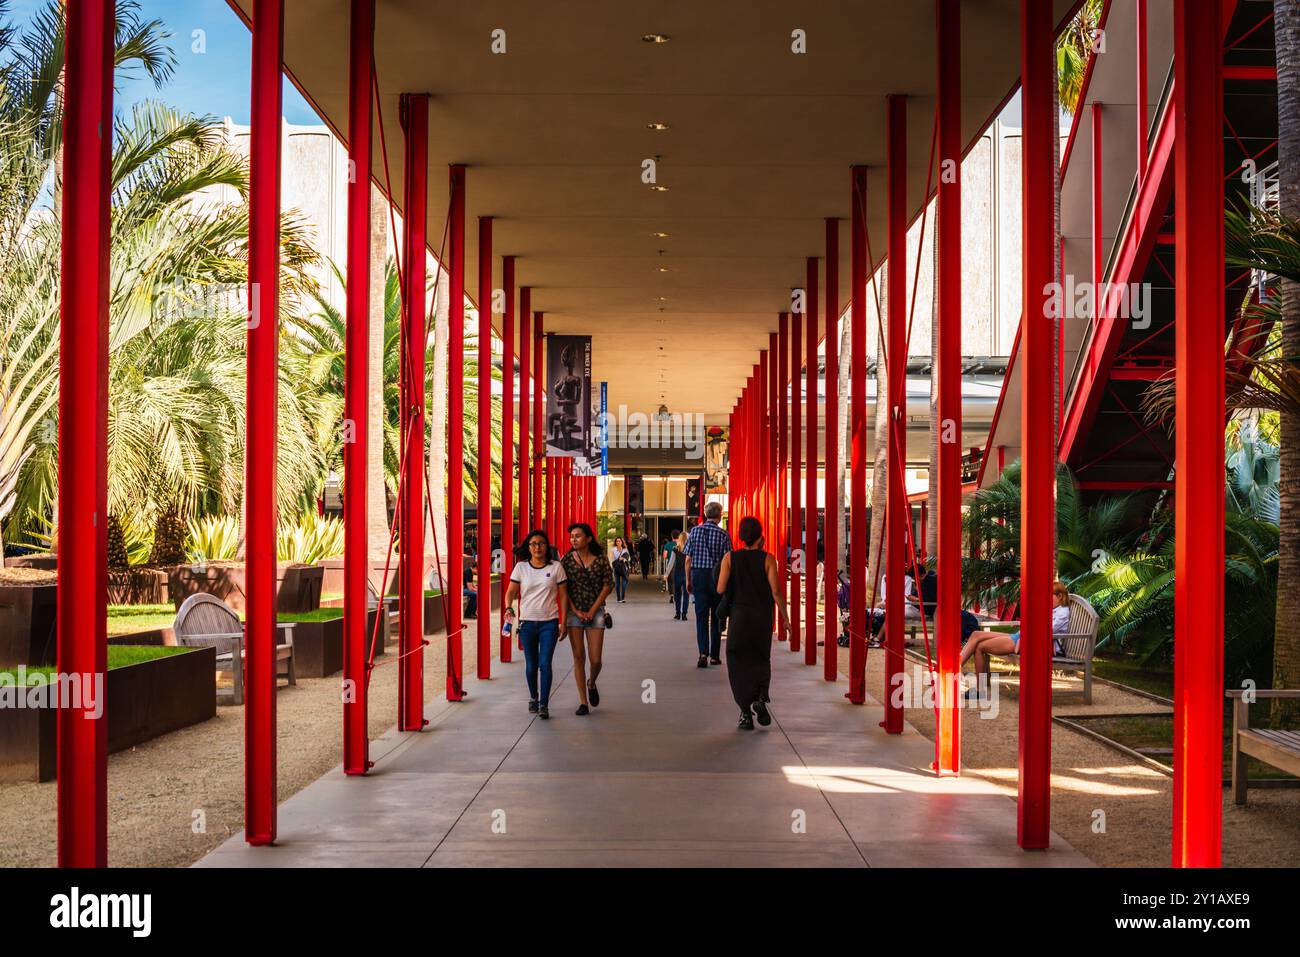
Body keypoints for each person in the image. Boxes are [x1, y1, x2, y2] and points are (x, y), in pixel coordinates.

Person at [715, 516, 790, 730]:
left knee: (737, 662)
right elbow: (776, 592)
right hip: (761, 619)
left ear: (741, 536)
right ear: (761, 536)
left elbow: (720, 589)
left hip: (739, 618)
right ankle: (760, 697)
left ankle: (745, 712)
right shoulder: (768, 559)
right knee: (760, 659)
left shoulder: (730, 558)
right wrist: (786, 619)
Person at [503, 529, 569, 720]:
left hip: (549, 622)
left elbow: (563, 596)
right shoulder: (521, 568)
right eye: (533, 544)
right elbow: (510, 592)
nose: (537, 547)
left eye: (541, 543)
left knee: (545, 664)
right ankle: (533, 696)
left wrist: (563, 622)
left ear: (547, 546)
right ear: (528, 547)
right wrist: (508, 607)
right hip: (527, 624)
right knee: (531, 665)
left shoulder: (556, 567)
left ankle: (544, 704)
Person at [960, 581, 1071, 690]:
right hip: (1022, 637)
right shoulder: (1051, 610)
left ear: (1060, 596)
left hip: (1032, 643)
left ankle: (978, 689)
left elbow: (1046, 630)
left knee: (979, 647)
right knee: (976, 634)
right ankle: (955, 667)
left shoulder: (1062, 612)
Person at [561, 523, 614, 716]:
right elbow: (563, 589)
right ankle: (583, 702)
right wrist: (574, 611)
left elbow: (608, 584)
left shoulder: (600, 560)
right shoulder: (566, 560)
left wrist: (592, 610)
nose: (573, 539)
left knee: (596, 659)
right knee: (578, 657)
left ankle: (591, 682)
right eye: (572, 536)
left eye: (578, 536)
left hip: (596, 611)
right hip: (574, 614)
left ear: (588, 538)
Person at [684, 501, 731, 667]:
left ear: (705, 514)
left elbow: (688, 559)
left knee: (701, 617)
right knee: (717, 616)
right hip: (717, 577)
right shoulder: (724, 534)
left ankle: (703, 653)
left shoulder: (694, 532)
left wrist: (688, 580)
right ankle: (715, 656)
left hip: (698, 575)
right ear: (719, 516)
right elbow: (728, 561)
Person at [663, 531, 689, 620]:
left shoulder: (675, 549)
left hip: (678, 573)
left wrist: (666, 574)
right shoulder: (690, 549)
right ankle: (684, 615)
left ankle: (678, 614)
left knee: (678, 594)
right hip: (687, 574)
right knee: (686, 595)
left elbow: (671, 563)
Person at [609, 536, 631, 602]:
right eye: (617, 541)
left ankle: (622, 598)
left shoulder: (625, 550)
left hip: (624, 568)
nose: (618, 542)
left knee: (624, 583)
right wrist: (612, 566)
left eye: (619, 541)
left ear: (622, 542)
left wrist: (624, 558)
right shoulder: (613, 549)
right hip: (616, 568)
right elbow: (611, 558)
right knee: (617, 584)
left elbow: (629, 558)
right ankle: (618, 598)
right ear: (615, 542)